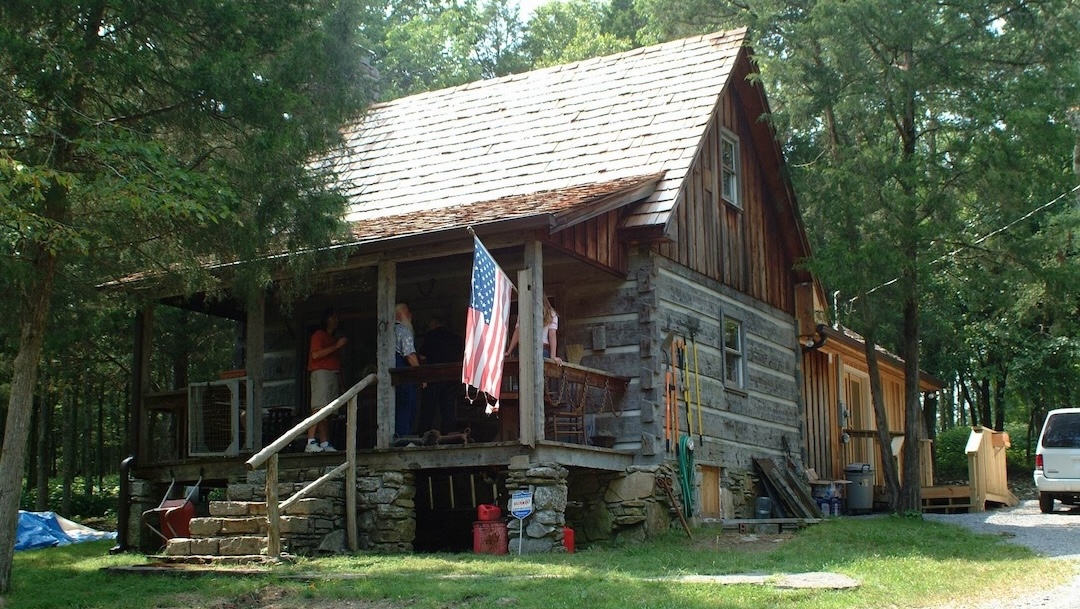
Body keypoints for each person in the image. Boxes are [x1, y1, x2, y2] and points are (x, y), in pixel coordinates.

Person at [306, 308, 347, 453]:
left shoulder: (332, 338)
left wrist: (341, 385)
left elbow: (337, 365)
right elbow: (316, 355)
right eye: (333, 317)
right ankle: (310, 441)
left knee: (328, 411)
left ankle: (324, 442)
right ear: (326, 319)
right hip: (321, 373)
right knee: (318, 408)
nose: (337, 320)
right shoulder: (319, 335)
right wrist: (337, 346)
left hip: (333, 375)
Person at [418, 316, 465, 434]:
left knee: (428, 409)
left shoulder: (431, 336)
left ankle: (424, 435)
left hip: (433, 376)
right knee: (448, 409)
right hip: (451, 377)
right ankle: (449, 436)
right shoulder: (456, 338)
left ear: (434, 324)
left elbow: (422, 356)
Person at [505, 295, 562, 365]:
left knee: (524, 374)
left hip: (525, 350)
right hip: (542, 349)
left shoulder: (524, 312)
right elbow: (552, 335)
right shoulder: (551, 314)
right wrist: (553, 356)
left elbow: (518, 331)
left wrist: (509, 351)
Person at [394, 302, 421, 437]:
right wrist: (421, 375)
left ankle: (396, 435)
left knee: (396, 405)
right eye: (407, 312)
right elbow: (409, 355)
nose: (410, 315)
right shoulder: (403, 331)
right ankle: (403, 438)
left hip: (393, 375)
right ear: (399, 315)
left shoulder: (388, 332)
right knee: (407, 405)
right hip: (404, 374)